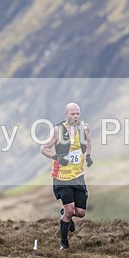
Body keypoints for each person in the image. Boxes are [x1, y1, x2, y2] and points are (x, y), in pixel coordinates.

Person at [39, 102, 93, 250]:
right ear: (66, 114)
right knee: (70, 209)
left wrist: (88, 156)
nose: (75, 116)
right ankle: (64, 243)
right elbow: (43, 148)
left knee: (80, 212)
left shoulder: (85, 128)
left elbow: (89, 141)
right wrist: (57, 157)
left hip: (78, 177)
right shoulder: (58, 130)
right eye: (72, 114)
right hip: (61, 177)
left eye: (77, 114)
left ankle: (64, 214)